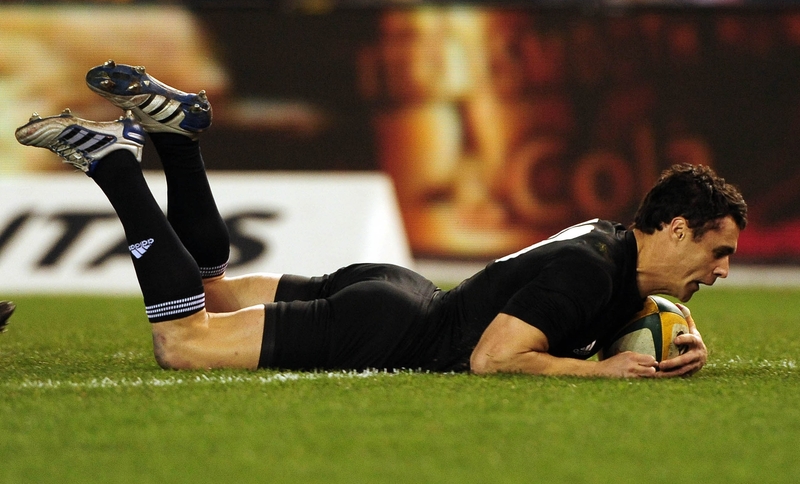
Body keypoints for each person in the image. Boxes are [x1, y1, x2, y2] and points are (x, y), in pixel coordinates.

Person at [15, 61, 748, 378]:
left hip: (402, 291)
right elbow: (495, 358)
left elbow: (635, 299)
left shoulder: (612, 247)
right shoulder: (589, 272)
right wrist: (608, 373)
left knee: (211, 294)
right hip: (388, 328)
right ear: (678, 228)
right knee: (182, 342)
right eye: (719, 251)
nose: (722, 271)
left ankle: (176, 143)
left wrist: (683, 334)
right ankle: (117, 164)